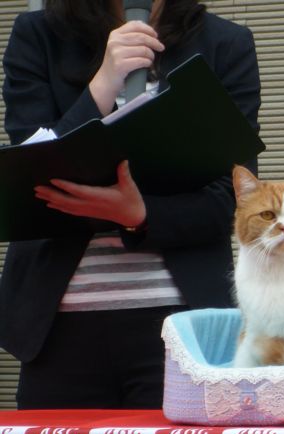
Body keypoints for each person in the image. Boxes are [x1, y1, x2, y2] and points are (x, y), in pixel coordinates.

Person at [0, 0, 261, 409]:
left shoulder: (225, 43)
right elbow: (30, 172)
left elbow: (232, 196)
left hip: (181, 324)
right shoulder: (39, 35)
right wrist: (103, 85)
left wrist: (141, 216)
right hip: (57, 324)